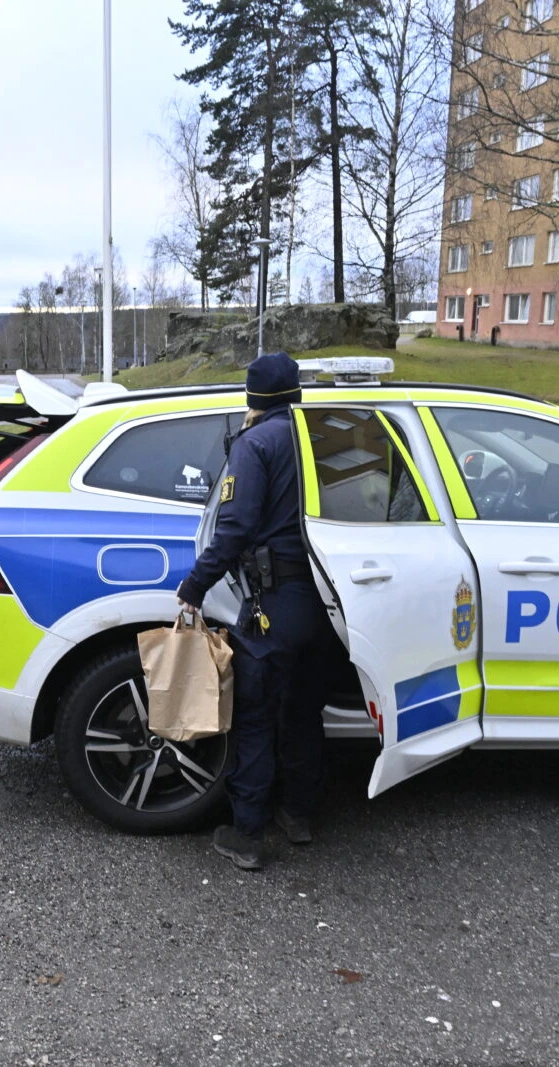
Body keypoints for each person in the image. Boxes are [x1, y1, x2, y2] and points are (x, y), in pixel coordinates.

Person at [175, 353, 335, 872]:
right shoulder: (322, 436)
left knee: (256, 719)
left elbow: (237, 526)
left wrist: (195, 585)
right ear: (295, 392)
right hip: (331, 606)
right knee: (305, 714)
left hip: (275, 604)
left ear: (253, 397)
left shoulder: (256, 443)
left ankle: (246, 835)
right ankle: (300, 817)